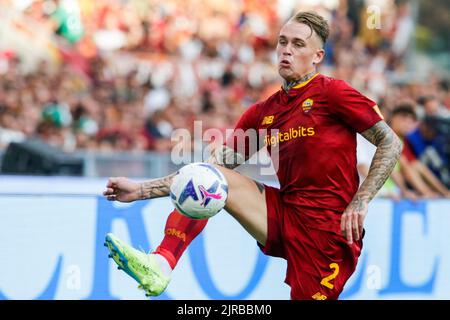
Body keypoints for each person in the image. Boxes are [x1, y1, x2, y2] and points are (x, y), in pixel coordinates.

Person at [103, 11, 402, 300]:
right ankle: (161, 263)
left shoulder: (333, 93)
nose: (286, 50)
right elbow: (213, 169)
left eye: (298, 45)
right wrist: (141, 189)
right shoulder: (263, 113)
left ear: (317, 56)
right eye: (282, 41)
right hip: (283, 213)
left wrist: (360, 201)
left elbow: (390, 143)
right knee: (203, 178)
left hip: (327, 230)